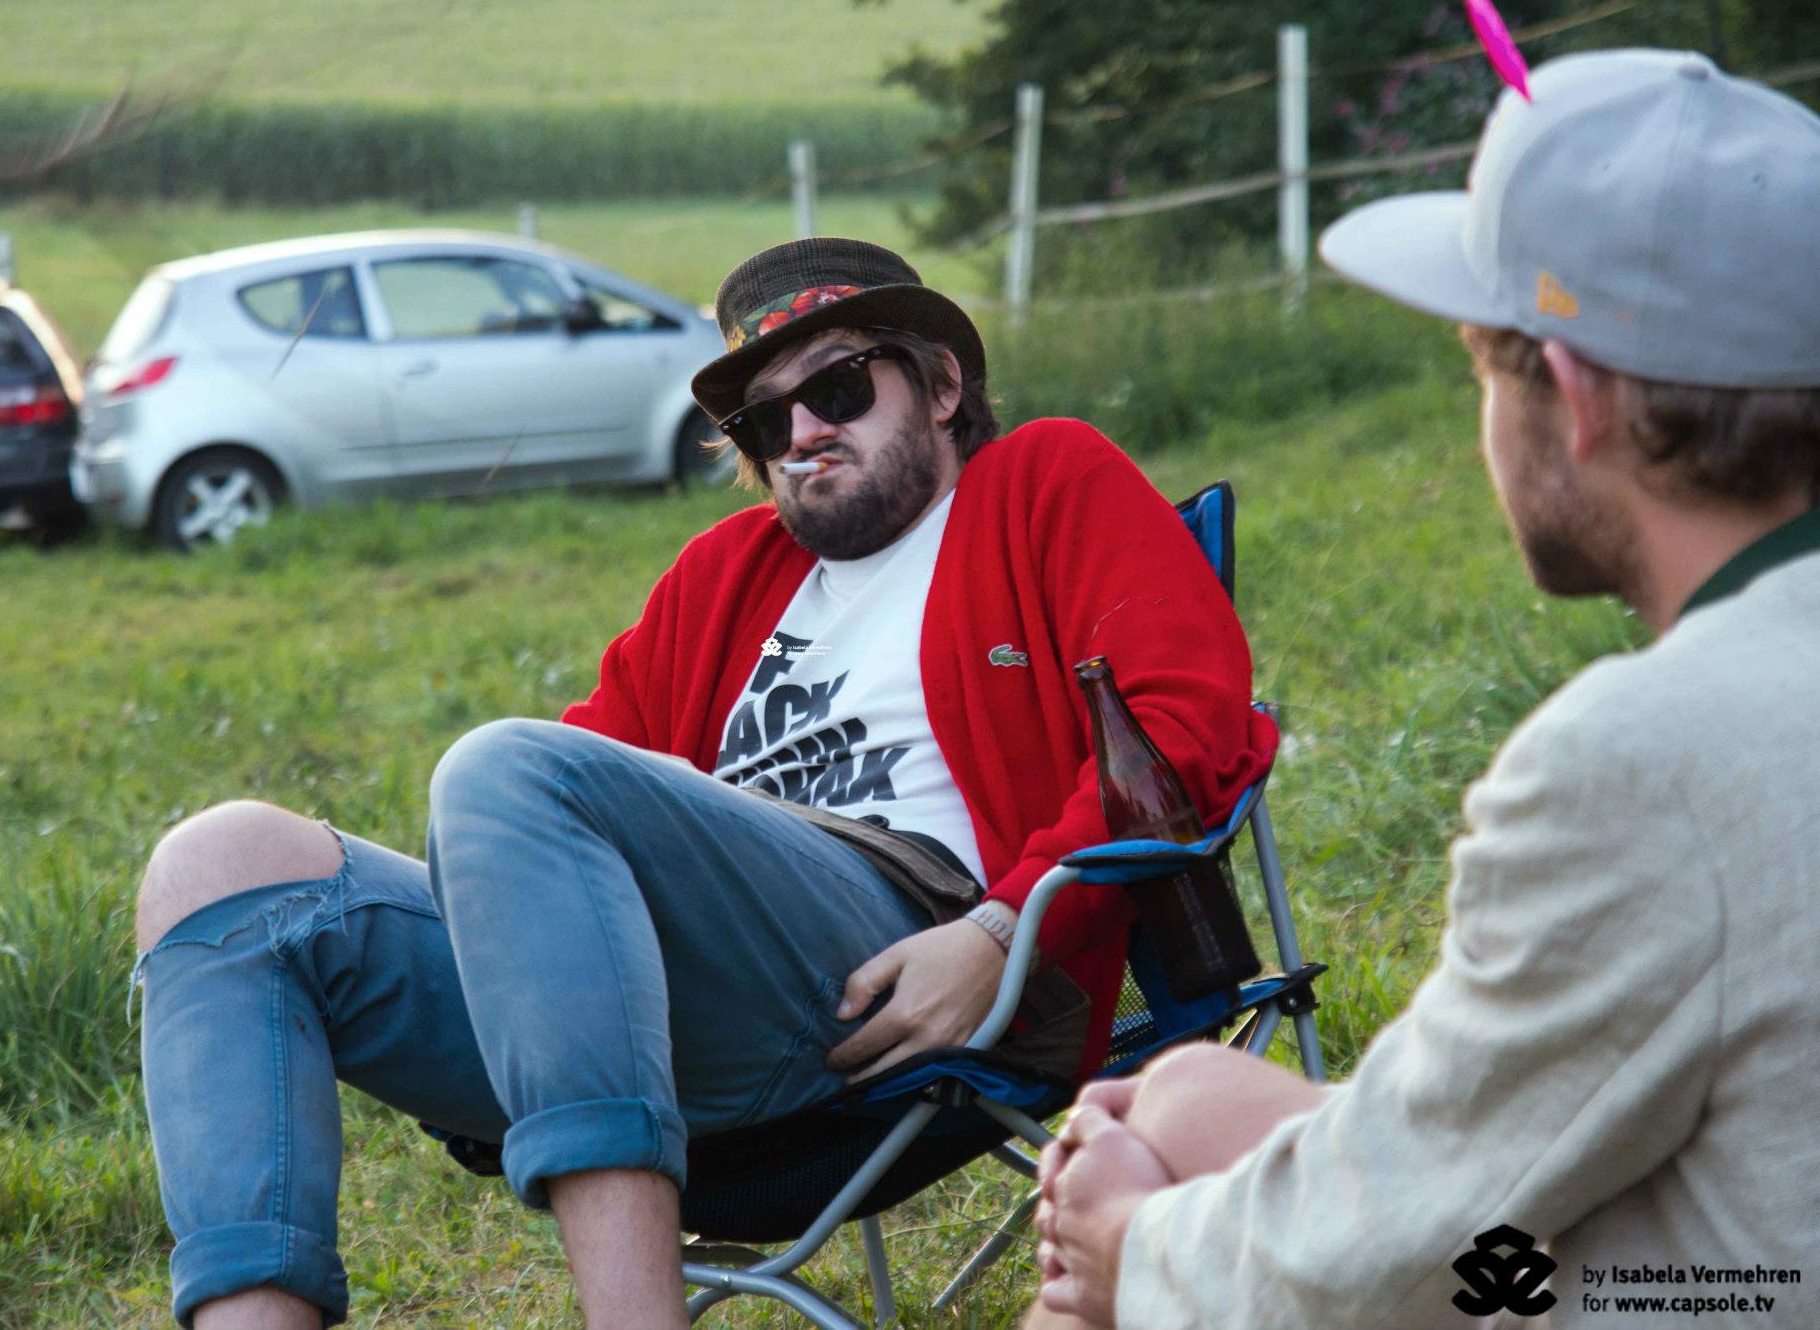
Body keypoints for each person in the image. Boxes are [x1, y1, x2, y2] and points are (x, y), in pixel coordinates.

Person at [129, 236, 1278, 1329]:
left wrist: (996, 925)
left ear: (935, 385)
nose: (800, 435)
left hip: (916, 941)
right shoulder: (723, 574)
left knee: (503, 763)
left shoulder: (1038, 483)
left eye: (834, 388)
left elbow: (1186, 722)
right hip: (663, 1007)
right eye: (762, 418)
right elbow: (550, 817)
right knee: (218, 866)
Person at [1030, 49, 1820, 1330]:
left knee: (1124, 1235)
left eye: (1475, 362)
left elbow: (1414, 1242)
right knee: (1178, 1095)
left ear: (1569, 400)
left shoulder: (1643, 759)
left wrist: (1134, 1248)